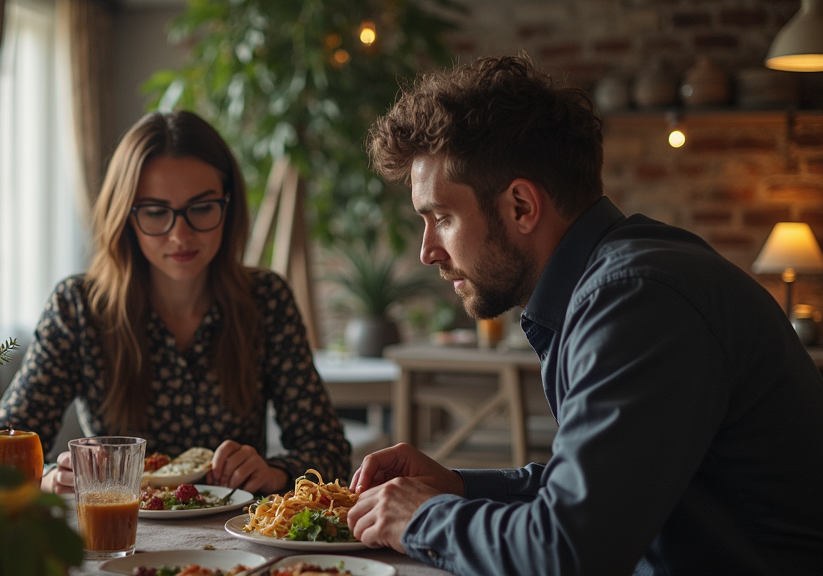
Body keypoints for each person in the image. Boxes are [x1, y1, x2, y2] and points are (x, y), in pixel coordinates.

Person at [346, 54, 823, 575]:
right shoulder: (617, 280)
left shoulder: (637, 299)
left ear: (522, 206)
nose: (427, 251)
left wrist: (421, 517)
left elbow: (567, 552)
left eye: (441, 217)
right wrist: (456, 487)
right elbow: (589, 495)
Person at [0, 110, 350, 495]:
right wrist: (46, 481)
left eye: (202, 208)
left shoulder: (266, 300)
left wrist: (276, 472)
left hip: (235, 537)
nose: (180, 235)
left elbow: (329, 452)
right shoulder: (78, 307)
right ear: (125, 217)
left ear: (229, 206)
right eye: (156, 212)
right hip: (116, 534)